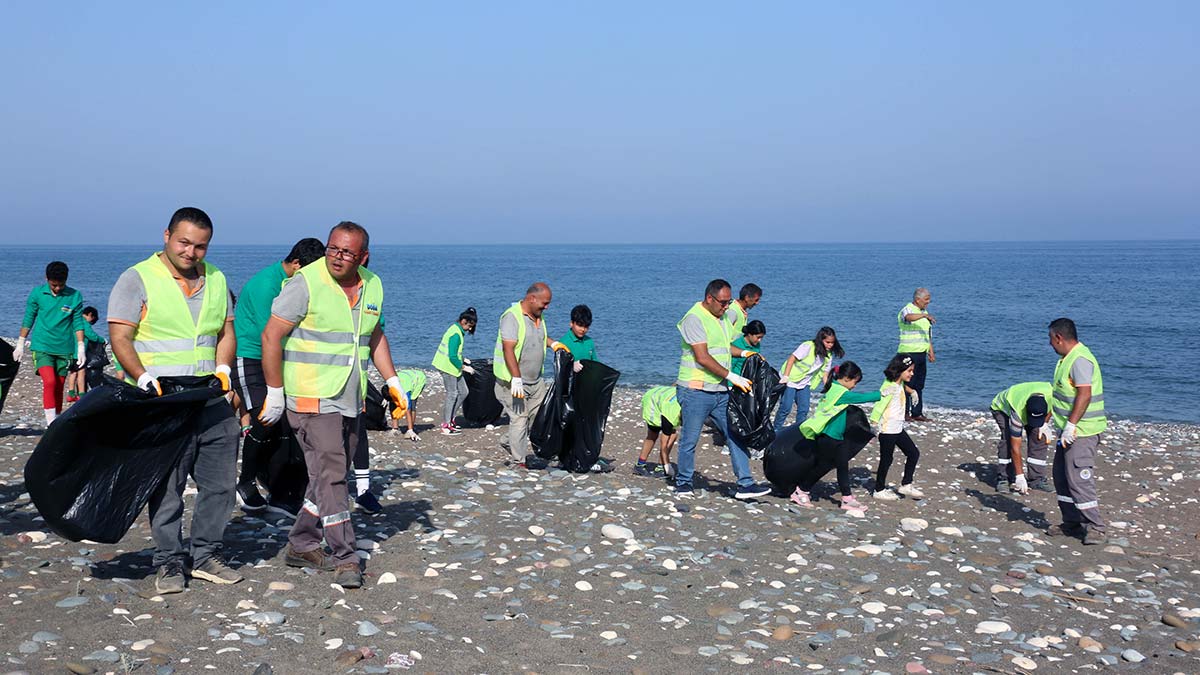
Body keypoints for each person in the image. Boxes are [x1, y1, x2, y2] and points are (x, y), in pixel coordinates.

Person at [259, 221, 409, 589]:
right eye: (332, 249)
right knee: (334, 475)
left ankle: (301, 543)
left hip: (350, 396)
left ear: (364, 257)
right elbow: (271, 335)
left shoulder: (373, 285)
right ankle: (345, 556)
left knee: (325, 476)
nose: (337, 257)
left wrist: (392, 382)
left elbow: (374, 336)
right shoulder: (305, 283)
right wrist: (274, 391)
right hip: (310, 396)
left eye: (347, 252)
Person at [107, 207, 243, 593]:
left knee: (220, 484)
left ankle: (207, 555)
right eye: (184, 242)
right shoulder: (137, 278)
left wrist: (224, 369)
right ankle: (168, 561)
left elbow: (226, 331)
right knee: (167, 486)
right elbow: (120, 336)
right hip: (162, 397)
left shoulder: (216, 278)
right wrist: (143, 377)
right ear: (166, 235)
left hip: (210, 395)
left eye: (200, 246)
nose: (191, 252)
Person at [232, 238, 327, 515]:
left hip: (279, 359)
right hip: (250, 356)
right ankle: (245, 482)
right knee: (266, 418)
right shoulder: (266, 286)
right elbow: (271, 334)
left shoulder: (294, 283)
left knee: (286, 424)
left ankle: (280, 489)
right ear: (297, 264)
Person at [673, 279, 771, 500]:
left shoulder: (723, 316)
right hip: (695, 389)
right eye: (723, 303)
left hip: (719, 390)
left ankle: (745, 484)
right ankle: (683, 483)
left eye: (728, 302)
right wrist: (733, 377)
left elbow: (724, 346)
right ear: (710, 298)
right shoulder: (694, 318)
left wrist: (745, 353)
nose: (727, 307)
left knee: (735, 434)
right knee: (690, 439)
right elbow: (702, 356)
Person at [493, 283, 571, 468]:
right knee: (519, 419)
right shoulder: (512, 317)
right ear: (531, 299)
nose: (547, 307)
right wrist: (516, 379)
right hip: (512, 383)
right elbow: (508, 349)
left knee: (539, 418)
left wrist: (553, 344)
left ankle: (509, 440)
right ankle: (518, 461)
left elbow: (540, 338)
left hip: (536, 382)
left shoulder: (538, 316)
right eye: (545, 303)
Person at [789, 361, 882, 512]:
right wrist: (881, 394)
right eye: (854, 382)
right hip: (828, 436)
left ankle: (847, 499)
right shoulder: (840, 393)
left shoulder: (834, 387)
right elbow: (860, 398)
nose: (855, 386)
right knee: (822, 467)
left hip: (837, 437)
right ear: (846, 378)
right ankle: (801, 491)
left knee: (842, 466)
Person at [1048, 318, 1107, 545]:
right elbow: (1061, 396)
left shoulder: (1080, 360)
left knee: (1079, 479)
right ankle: (1071, 522)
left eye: (1051, 340)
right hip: (1067, 431)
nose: (1050, 344)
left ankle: (1096, 527)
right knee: (1062, 477)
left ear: (1059, 337)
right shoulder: (1066, 359)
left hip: (1082, 431)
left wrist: (1072, 424)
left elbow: (1084, 394)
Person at [17, 261, 86, 425]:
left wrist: (81, 346)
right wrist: (21, 342)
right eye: (54, 285)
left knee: (59, 385)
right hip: (42, 346)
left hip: (64, 348)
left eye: (61, 285)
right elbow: (29, 318)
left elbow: (78, 323)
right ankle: (51, 424)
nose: (57, 288)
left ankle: (56, 419)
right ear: (47, 278)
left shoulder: (74, 296)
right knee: (50, 381)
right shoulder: (37, 294)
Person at [868, 354, 924, 501]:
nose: (912, 373)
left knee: (913, 453)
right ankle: (878, 490)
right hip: (887, 429)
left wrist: (911, 391)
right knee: (886, 459)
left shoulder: (898, 383)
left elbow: (901, 386)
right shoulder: (889, 386)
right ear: (900, 370)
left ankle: (906, 484)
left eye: (913, 370)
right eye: (909, 371)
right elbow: (879, 406)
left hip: (898, 428)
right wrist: (873, 424)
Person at [774, 326, 843, 433]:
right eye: (827, 342)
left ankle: (797, 432)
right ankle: (775, 430)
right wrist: (786, 377)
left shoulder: (828, 355)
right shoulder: (808, 346)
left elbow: (825, 375)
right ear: (821, 340)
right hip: (790, 379)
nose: (830, 345)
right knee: (786, 408)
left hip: (805, 382)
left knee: (804, 409)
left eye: (832, 343)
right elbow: (791, 359)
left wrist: (829, 390)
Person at [989, 381, 1054, 494]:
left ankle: (1036, 479)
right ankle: (1004, 478)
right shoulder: (1018, 412)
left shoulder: (1053, 396)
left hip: (1033, 406)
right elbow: (1016, 447)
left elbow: (1052, 409)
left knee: (1039, 436)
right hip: (1002, 409)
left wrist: (1044, 424)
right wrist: (1020, 476)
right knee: (1008, 440)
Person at [432, 307, 477, 435]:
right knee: (452, 394)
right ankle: (446, 425)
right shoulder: (456, 334)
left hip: (453, 367)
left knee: (464, 392)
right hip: (447, 367)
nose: (470, 329)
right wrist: (464, 367)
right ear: (463, 321)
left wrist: (463, 359)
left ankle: (451, 419)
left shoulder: (458, 330)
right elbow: (451, 356)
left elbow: (455, 353)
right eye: (469, 326)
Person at [897, 288, 935, 421]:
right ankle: (904, 412)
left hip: (921, 353)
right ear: (918, 299)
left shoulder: (924, 312)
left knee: (919, 383)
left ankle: (917, 412)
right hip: (908, 352)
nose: (928, 302)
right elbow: (908, 318)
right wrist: (924, 316)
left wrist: (931, 351)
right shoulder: (907, 309)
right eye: (926, 299)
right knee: (907, 383)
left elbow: (927, 334)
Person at [634, 385, 682, 478]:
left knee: (670, 435)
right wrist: (667, 465)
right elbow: (664, 442)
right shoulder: (671, 415)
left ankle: (655, 466)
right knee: (656, 434)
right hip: (653, 400)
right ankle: (646, 466)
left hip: (664, 397)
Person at [66, 306, 112, 399]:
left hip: (70, 351)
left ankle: (71, 393)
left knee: (73, 372)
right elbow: (91, 336)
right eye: (92, 320)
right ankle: (82, 394)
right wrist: (102, 340)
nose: (90, 323)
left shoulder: (75, 321)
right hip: (79, 352)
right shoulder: (83, 323)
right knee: (81, 372)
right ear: (90, 315)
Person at [560, 304, 596, 373]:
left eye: (586, 326)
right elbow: (559, 367)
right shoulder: (563, 342)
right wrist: (571, 366)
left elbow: (595, 363)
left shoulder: (589, 341)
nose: (583, 329)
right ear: (571, 323)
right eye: (580, 325)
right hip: (570, 381)